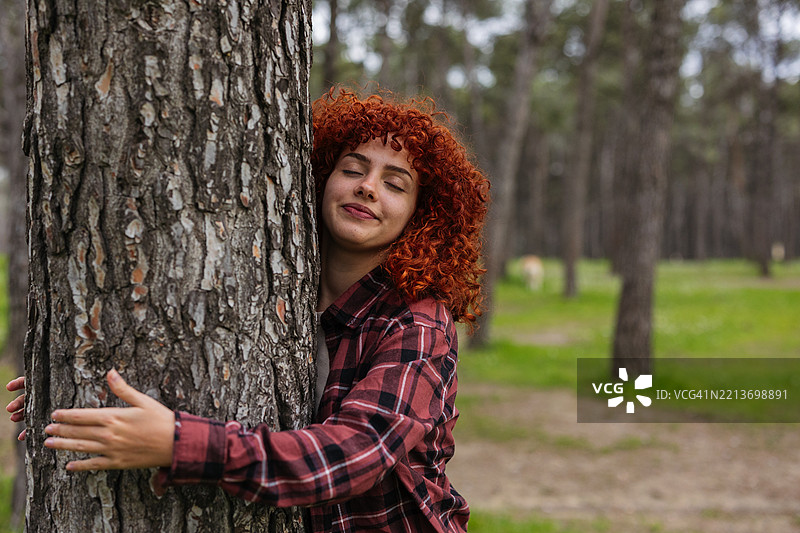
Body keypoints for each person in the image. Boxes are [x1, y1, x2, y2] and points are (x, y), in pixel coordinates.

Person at [6, 87, 490, 532]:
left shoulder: (418, 322)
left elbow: (356, 454)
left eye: (395, 184)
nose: (367, 187)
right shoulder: (278, 283)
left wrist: (181, 444)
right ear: (321, 176)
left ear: (421, 216)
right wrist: (81, 390)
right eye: (353, 168)